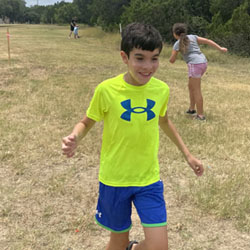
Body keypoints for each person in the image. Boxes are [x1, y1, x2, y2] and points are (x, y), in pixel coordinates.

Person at [62, 23, 204, 250]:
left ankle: (135, 248)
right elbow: (86, 122)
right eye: (140, 58)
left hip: (148, 179)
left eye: (154, 58)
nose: (148, 66)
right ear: (124, 57)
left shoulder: (161, 90)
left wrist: (188, 155)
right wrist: (75, 137)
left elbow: (164, 121)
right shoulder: (106, 90)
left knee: (159, 246)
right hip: (115, 180)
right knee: (117, 242)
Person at [169, 23, 228, 121]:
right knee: (191, 86)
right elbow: (208, 41)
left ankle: (200, 116)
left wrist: (173, 54)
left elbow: (172, 60)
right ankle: (192, 109)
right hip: (203, 62)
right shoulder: (193, 37)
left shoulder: (177, 44)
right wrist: (220, 48)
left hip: (195, 65)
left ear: (175, 34)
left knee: (196, 89)